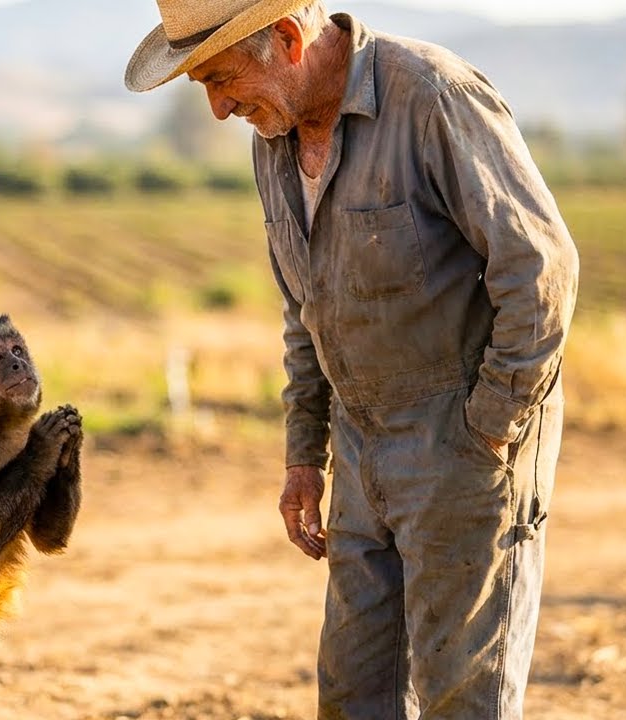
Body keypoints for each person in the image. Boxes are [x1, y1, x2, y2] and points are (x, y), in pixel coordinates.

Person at [125, 1, 580, 718]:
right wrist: (305, 455)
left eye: (221, 79)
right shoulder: (272, 136)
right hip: (358, 441)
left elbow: (541, 271)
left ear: (285, 38)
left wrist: (490, 427)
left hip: (463, 434)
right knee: (351, 692)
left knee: (463, 695)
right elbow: (307, 310)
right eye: (202, 89)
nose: (218, 109)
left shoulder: (432, 95)